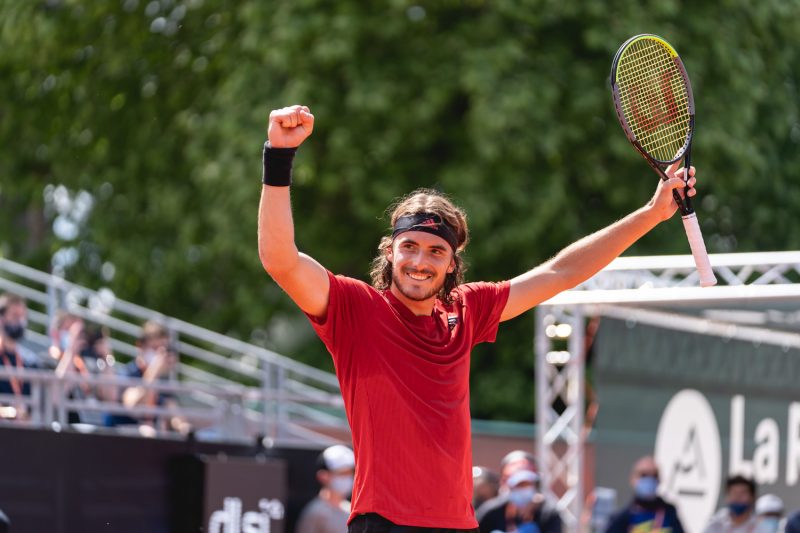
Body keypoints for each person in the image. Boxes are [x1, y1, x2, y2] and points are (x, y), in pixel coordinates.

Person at [258, 105, 700, 531]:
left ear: (452, 263)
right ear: (389, 250)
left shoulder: (467, 310)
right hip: (386, 523)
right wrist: (278, 156)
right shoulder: (355, 308)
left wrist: (652, 214)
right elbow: (281, 261)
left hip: (460, 524)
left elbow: (561, 272)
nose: (419, 261)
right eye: (409, 246)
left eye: (435, 251)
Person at [477, 451, 560, 533]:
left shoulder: (549, 514)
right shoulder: (490, 512)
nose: (523, 488)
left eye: (527, 483)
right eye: (518, 484)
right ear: (507, 484)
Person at [604, 456, 684, 533]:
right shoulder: (622, 518)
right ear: (633, 479)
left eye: (654, 475)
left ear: (659, 479)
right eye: (644, 475)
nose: (649, 479)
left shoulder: (669, 513)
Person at [296, 445, 356, 533]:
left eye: (350, 473)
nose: (347, 478)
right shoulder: (315, 511)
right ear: (323, 476)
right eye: (342, 473)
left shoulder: (351, 510)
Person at [0, 292, 35, 420]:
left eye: (22, 317)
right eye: (15, 316)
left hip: (25, 431)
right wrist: (11, 412)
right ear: (1, 319)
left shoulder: (29, 361)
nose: (20, 321)